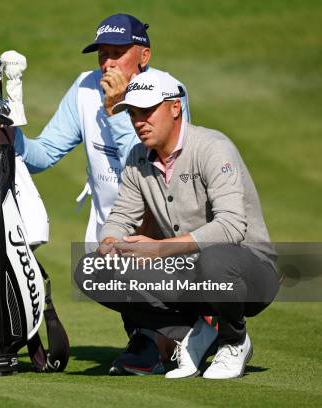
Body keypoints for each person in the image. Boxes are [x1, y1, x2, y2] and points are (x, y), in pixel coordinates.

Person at [15, 13, 191, 375]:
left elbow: (144, 166)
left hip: (165, 232)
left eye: (118, 52)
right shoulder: (84, 88)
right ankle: (157, 339)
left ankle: (178, 334)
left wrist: (115, 109)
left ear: (144, 55)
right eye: (102, 54)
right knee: (99, 273)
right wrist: (8, 133)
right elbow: (44, 153)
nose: (108, 62)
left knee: (132, 281)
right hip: (113, 230)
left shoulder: (168, 91)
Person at [88, 69, 280, 379]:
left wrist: (161, 249)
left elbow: (232, 227)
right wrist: (111, 243)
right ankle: (194, 331)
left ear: (175, 107)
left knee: (214, 261)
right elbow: (121, 217)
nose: (139, 121)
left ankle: (234, 339)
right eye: (134, 113)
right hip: (190, 275)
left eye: (148, 111)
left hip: (249, 273)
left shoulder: (213, 148)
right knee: (92, 270)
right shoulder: (138, 158)